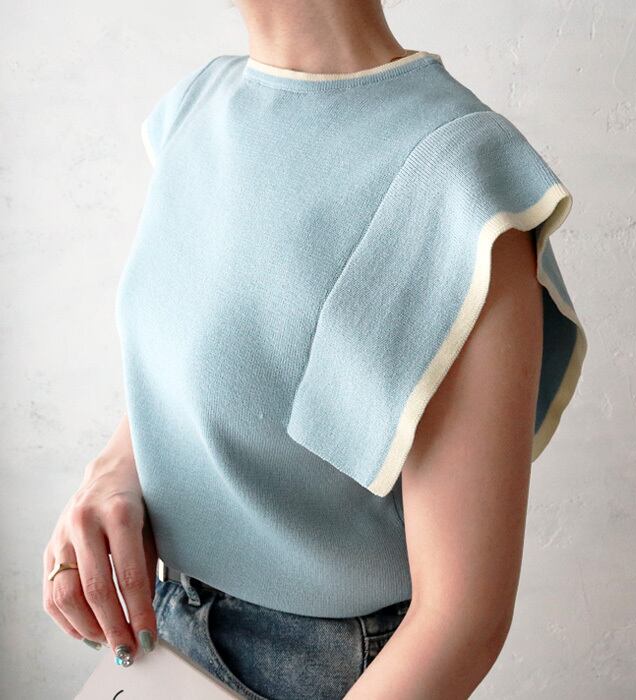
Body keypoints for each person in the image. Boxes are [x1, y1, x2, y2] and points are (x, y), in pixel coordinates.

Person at [42, 1, 587, 697]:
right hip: (160, 632)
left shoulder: (456, 178)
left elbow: (461, 620)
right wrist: (116, 469)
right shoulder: (199, 105)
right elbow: (223, 364)